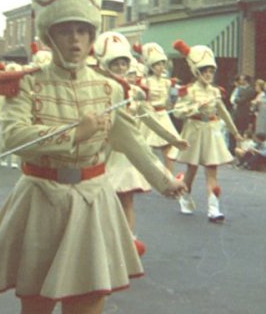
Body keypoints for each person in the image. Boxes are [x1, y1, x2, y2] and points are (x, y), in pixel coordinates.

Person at [0, 0, 186, 314]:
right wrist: (76, 132)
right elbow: (13, 137)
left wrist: (164, 180)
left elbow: (128, 140)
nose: (75, 41)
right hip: (40, 201)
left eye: (83, 31)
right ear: (50, 34)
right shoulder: (27, 83)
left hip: (91, 202)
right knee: (35, 313)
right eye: (66, 31)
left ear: (92, 36)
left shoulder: (109, 87)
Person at [94, 31, 189, 255]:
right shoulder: (97, 90)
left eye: (122, 63)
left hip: (127, 154)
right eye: (114, 63)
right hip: (103, 152)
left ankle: (126, 242)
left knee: (127, 200)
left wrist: (173, 138)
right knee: (102, 201)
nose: (119, 68)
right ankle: (104, 244)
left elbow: (150, 118)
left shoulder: (135, 92)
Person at [170, 40, 243, 223]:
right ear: (197, 72)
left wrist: (235, 132)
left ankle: (213, 208)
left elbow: (224, 113)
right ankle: (185, 196)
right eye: (205, 71)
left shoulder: (215, 92)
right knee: (192, 169)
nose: (209, 75)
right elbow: (178, 112)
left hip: (211, 131)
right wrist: (195, 107)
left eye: (211, 71)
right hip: (194, 130)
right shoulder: (188, 91)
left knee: (212, 169)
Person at [133, 42, 181, 172]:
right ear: (151, 66)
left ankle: (169, 177)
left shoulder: (167, 82)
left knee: (168, 146)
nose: (160, 67)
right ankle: (142, 175)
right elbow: (138, 99)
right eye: (157, 64)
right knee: (145, 148)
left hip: (163, 115)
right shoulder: (145, 81)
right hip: (149, 115)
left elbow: (172, 98)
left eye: (162, 63)